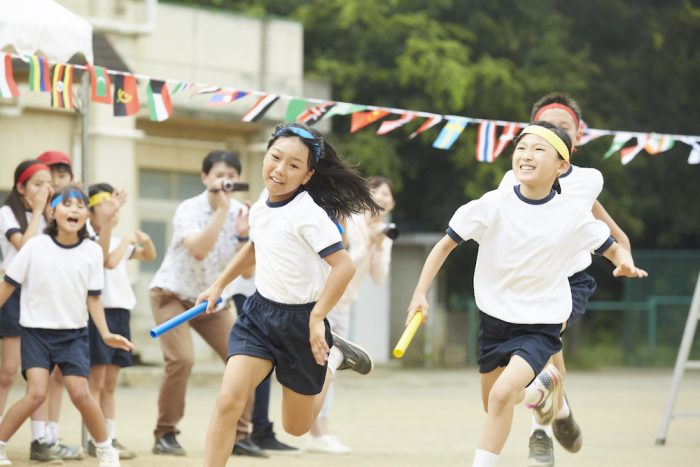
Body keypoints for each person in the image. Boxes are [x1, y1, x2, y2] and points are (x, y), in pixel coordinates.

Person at [405, 122, 647, 467]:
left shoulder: (571, 214)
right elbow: (444, 247)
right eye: (521, 148)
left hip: (542, 323)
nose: (526, 155)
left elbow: (609, 247)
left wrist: (624, 262)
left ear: (562, 166)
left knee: (504, 394)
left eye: (538, 149)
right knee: (494, 404)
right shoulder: (492, 204)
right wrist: (419, 294)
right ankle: (540, 389)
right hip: (494, 320)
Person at [197, 122, 381, 467]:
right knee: (228, 401)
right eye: (275, 157)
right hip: (259, 317)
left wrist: (316, 318)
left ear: (308, 175)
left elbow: (344, 267)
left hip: (301, 323)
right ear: (265, 155)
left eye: (293, 165)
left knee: (296, 427)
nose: (280, 170)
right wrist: (218, 285)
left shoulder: (310, 216)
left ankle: (335, 357)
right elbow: (255, 246)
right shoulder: (261, 207)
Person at [497, 93, 632, 467]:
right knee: (549, 355)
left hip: (570, 280)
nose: (556, 132)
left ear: (578, 136)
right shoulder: (513, 179)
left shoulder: (589, 179)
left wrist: (624, 249)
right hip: (527, 282)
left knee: (543, 345)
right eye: (546, 127)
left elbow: (603, 221)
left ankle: (539, 434)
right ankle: (560, 409)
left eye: (564, 128)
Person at [0, 186, 134, 467]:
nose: (73, 209)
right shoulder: (35, 246)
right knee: (36, 393)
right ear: (52, 211)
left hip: (74, 335)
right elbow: (8, 285)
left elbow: (94, 298)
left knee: (81, 393)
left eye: (80, 205)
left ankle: (106, 450)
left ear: (86, 214)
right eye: (66, 204)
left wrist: (106, 333)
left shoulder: (92, 253)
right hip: (36, 333)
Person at [148, 150, 264, 458]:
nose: (226, 181)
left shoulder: (244, 213)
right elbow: (199, 250)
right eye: (219, 175)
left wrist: (243, 237)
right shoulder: (189, 208)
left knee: (245, 358)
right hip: (171, 293)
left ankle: (240, 436)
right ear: (205, 178)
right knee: (182, 360)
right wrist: (222, 213)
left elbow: (249, 271)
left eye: (231, 175)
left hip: (211, 300)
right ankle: (166, 433)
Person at [308, 175, 396, 454]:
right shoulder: (350, 221)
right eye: (376, 192)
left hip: (344, 306)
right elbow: (343, 265)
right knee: (325, 364)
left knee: (331, 367)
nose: (381, 198)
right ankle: (315, 431)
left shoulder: (382, 233)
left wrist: (378, 246)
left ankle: (321, 430)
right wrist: (365, 245)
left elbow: (379, 277)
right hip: (323, 301)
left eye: (387, 194)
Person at [86, 183, 156, 459]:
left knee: (111, 384)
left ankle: (109, 436)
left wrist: (144, 240)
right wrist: (126, 239)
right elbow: (107, 261)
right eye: (105, 204)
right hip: (101, 313)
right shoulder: (90, 239)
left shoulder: (116, 240)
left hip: (121, 314)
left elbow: (148, 255)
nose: (112, 210)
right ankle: (96, 439)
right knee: (97, 381)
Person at [33, 150, 84, 460]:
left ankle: (51, 435)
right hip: (36, 311)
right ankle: (39, 438)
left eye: (62, 177)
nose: (55, 183)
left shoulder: (75, 215)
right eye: (48, 179)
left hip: (67, 309)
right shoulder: (33, 219)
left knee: (60, 378)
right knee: (32, 377)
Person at [0, 161, 53, 461]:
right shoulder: (8, 213)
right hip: (13, 292)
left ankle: (42, 439)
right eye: (36, 184)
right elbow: (24, 247)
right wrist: (37, 212)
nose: (44, 190)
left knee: (40, 374)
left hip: (41, 296)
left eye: (48, 184)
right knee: (7, 372)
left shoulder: (49, 215)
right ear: (21, 188)